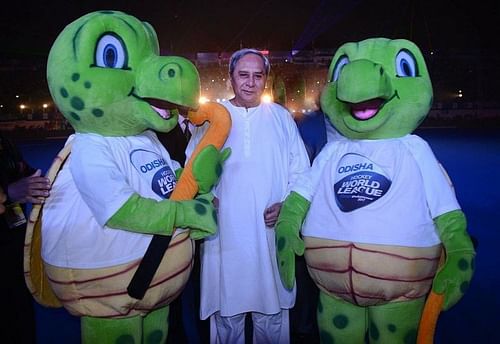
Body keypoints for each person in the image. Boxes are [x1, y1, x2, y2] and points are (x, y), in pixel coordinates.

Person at [186, 48, 310, 343]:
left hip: (269, 233)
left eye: (258, 76)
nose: (250, 83)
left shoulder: (280, 117)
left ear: (265, 79)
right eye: (243, 75)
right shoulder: (214, 117)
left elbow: (301, 171)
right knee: (228, 317)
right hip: (225, 234)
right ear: (231, 78)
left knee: (273, 316)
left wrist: (287, 205)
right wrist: (206, 198)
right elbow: (193, 168)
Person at [157, 114, 209, 344]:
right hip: (170, 221)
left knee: (202, 285)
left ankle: (204, 332)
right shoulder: (156, 127)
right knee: (168, 296)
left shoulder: (207, 122)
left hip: (202, 222)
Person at [0, 132, 51, 343]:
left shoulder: (5, 143)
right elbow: (11, 190)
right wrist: (9, 192)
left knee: (20, 319)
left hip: (16, 251)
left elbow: (24, 172)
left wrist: (39, 184)